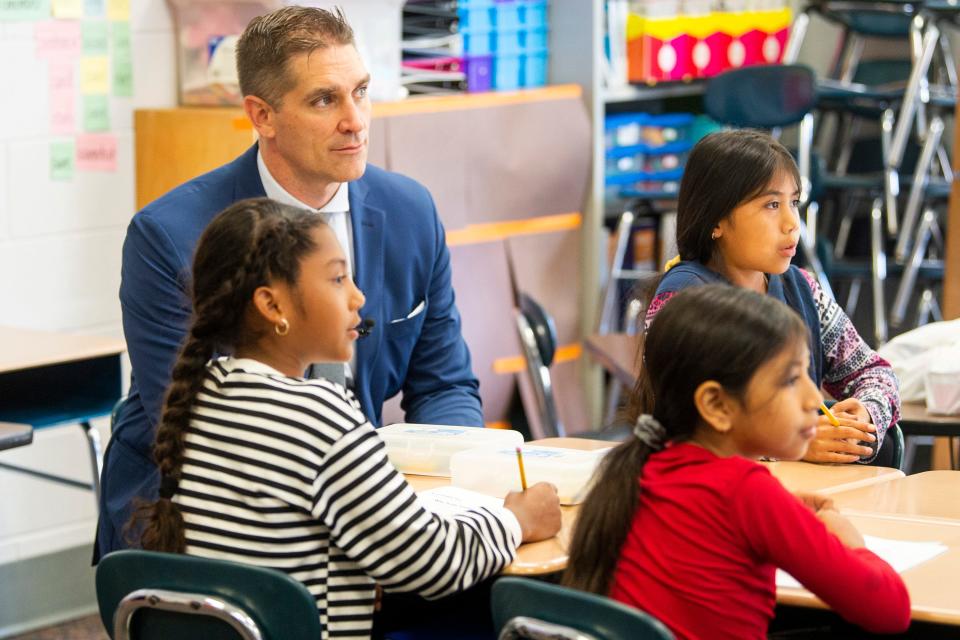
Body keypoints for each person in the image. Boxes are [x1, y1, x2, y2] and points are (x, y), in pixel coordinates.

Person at [97, 6, 482, 558]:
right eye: (325, 100)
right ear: (262, 115)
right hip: (201, 514)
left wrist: (451, 494)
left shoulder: (410, 212)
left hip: (359, 499)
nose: (356, 120)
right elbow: (204, 436)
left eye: (362, 91)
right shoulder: (170, 237)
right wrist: (364, 510)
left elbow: (445, 387)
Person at [127, 198, 562, 640]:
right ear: (272, 306)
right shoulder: (320, 415)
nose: (358, 297)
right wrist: (516, 520)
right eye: (337, 279)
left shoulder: (202, 392)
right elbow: (429, 563)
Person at [563, 285, 910, 640]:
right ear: (716, 405)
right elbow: (889, 608)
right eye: (791, 380)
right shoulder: (747, 492)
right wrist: (851, 542)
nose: (813, 398)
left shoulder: (648, 463)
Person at [646, 129, 899, 464]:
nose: (791, 223)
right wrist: (793, 445)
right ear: (716, 219)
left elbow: (876, 373)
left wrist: (864, 413)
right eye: (771, 204)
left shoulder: (803, 287)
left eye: (794, 202)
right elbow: (690, 427)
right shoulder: (683, 298)